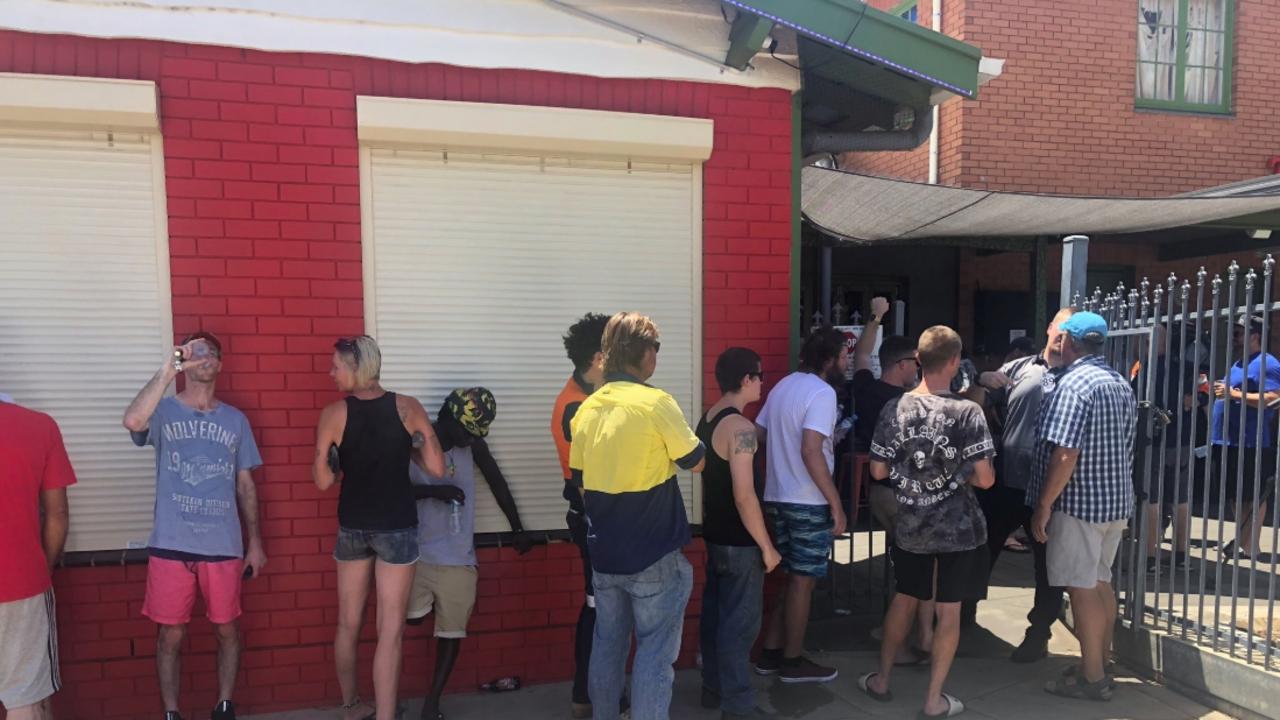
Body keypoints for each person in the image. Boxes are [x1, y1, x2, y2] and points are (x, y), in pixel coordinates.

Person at [121, 332, 266, 720]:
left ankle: (224, 705)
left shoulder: (236, 420)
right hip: (172, 541)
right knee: (170, 633)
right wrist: (170, 367)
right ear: (185, 360)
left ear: (220, 364)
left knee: (227, 629)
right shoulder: (165, 412)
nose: (204, 358)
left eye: (211, 353)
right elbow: (132, 420)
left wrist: (256, 543)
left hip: (223, 544)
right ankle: (172, 712)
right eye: (195, 351)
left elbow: (246, 484)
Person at [569, 311, 705, 720]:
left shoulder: (587, 410)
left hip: (605, 555)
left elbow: (580, 481)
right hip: (652, 553)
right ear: (644, 353)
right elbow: (696, 461)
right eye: (656, 348)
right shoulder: (656, 403)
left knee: (607, 648)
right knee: (653, 655)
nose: (657, 357)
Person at [858, 325, 996, 720]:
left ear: (918, 361)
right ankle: (934, 699)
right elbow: (986, 478)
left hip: (911, 523)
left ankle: (881, 680)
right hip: (959, 529)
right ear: (954, 362)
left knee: (904, 599)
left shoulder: (894, 408)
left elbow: (879, 471)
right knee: (948, 612)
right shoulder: (968, 412)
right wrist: (958, 471)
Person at [312, 335, 446, 720]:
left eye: (336, 366)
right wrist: (411, 447)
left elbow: (322, 481)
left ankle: (352, 706)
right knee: (390, 631)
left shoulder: (335, 414)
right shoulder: (407, 408)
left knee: (348, 623)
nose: (331, 373)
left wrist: (336, 459)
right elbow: (437, 468)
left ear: (358, 368)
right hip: (396, 527)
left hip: (353, 526)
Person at [1030, 312, 1136, 702]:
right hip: (1115, 501)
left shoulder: (1074, 384)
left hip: (1080, 504)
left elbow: (1066, 453)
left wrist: (1044, 504)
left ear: (1068, 342)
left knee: (1082, 588)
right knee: (1100, 581)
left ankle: (1092, 676)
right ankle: (1100, 663)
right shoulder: (1118, 382)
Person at [408, 387, 532, 720]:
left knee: (452, 630)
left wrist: (517, 528)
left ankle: (432, 701)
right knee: (412, 619)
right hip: (414, 554)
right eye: (466, 431)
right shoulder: (416, 441)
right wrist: (435, 492)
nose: (469, 439)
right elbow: (391, 489)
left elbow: (496, 481)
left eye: (475, 434)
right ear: (448, 418)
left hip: (458, 555)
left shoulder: (473, 445)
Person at [970, 307, 1075, 661]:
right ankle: (965, 620)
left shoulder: (1078, 375)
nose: (1064, 337)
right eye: (1061, 329)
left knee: (1048, 568)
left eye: (1071, 332)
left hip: (1050, 489)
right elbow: (977, 403)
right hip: (1007, 481)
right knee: (981, 552)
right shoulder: (1018, 368)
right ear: (1048, 328)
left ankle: (1038, 632)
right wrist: (981, 380)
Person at [754, 327, 848, 684]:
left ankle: (771, 654)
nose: (845, 363)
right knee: (802, 583)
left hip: (776, 495)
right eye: (842, 357)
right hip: (807, 500)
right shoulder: (822, 393)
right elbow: (811, 450)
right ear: (828, 359)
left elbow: (759, 434)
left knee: (792, 581)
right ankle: (792, 662)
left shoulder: (782, 386)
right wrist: (835, 503)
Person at [697, 348, 781, 720]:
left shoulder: (709, 418)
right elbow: (745, 496)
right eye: (759, 376)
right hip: (740, 543)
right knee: (740, 627)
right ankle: (739, 707)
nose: (763, 382)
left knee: (715, 617)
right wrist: (767, 547)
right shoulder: (742, 430)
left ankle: (713, 688)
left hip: (715, 536)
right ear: (746, 379)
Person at [849, 298, 934, 663]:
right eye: (915, 363)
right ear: (901, 365)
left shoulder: (867, 390)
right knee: (918, 571)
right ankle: (909, 639)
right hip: (905, 495)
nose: (919, 368)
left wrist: (875, 316)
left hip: (880, 492)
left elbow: (862, 356)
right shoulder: (912, 402)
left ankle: (908, 634)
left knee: (905, 564)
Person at [549, 312, 610, 719]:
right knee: (599, 608)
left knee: (603, 607)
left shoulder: (592, 395)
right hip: (594, 520)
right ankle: (588, 696)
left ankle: (590, 695)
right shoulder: (576, 406)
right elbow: (590, 478)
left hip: (601, 518)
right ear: (598, 357)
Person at [1, 399, 75, 720]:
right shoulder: (39, 426)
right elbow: (56, 514)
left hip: (23, 581)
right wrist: (42, 570)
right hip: (22, 582)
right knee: (26, 698)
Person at [1212, 315, 1280, 560]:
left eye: (1240, 333)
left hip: (1249, 441)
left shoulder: (1267, 363)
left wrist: (1232, 394)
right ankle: (1243, 541)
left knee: (1252, 493)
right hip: (1227, 438)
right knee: (1235, 493)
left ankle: (1252, 546)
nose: (1235, 337)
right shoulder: (1240, 363)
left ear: (1255, 335)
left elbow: (1273, 398)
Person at [1132, 324, 1197, 572]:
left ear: (1149, 343)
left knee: (1151, 498)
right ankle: (1180, 554)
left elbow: (1137, 401)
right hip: (1181, 440)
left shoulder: (1147, 370)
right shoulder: (1185, 367)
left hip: (1156, 441)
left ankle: (1149, 556)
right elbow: (1200, 396)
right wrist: (1188, 403)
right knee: (1181, 499)